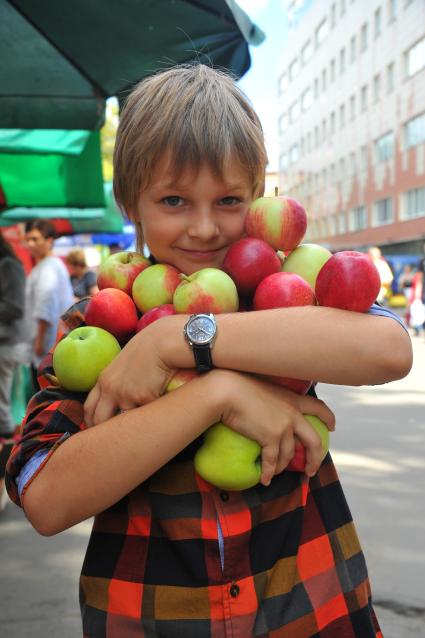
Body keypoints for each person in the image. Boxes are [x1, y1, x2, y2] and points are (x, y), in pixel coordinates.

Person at [6, 65, 412, 638]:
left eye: (227, 200)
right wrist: (217, 395)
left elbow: (390, 350)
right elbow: (44, 496)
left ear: (257, 199)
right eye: (173, 199)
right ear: (132, 205)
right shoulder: (101, 321)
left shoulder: (282, 296)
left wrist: (176, 339)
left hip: (315, 611)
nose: (203, 228)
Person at [23, 220, 74, 390]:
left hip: (46, 345)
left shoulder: (49, 268)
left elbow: (45, 306)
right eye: (28, 239)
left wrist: (39, 341)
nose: (30, 244)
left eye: (35, 239)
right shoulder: (48, 266)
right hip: (50, 343)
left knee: (43, 395)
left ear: (50, 240)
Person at [0, 232, 27, 509]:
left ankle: (6, 478)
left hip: (7, 344)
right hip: (7, 343)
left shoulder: (8, 265)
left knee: (3, 410)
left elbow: (15, 307)